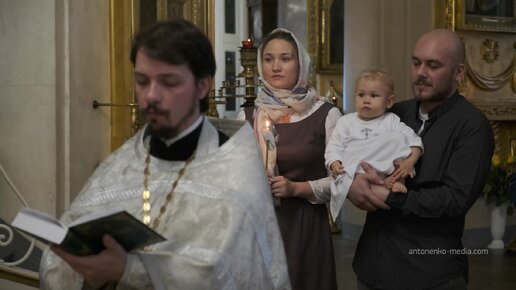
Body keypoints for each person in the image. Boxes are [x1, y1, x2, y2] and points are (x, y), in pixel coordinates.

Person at [39, 19, 290, 290]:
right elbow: (55, 265)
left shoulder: (236, 172)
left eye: (169, 82)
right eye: (142, 81)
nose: (151, 96)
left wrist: (128, 270)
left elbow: (235, 274)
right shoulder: (119, 165)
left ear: (203, 85)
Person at [348, 29, 495, 289]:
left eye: (433, 65)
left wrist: (390, 196)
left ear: (458, 73)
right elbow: (354, 149)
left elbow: (454, 199)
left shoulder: (472, 126)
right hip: (373, 265)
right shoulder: (395, 113)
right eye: (416, 63)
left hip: (430, 273)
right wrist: (353, 183)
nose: (420, 73)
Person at [238, 28, 341, 290]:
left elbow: (342, 182)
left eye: (285, 58)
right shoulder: (247, 117)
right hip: (260, 231)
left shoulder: (326, 115)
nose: (276, 66)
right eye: (269, 59)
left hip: (306, 229)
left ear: (301, 63)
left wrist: (296, 188)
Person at [325, 69, 423, 220]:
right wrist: (334, 163)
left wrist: (410, 162)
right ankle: (381, 184)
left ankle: (395, 179)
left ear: (389, 101)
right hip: (356, 166)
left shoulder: (391, 120)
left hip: (383, 167)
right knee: (350, 151)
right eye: (361, 95)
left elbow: (414, 141)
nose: (366, 100)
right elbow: (334, 146)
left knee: (398, 138)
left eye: (373, 95)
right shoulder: (346, 121)